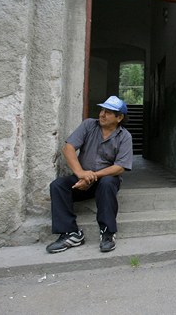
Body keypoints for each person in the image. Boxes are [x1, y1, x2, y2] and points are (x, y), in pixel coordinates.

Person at [46, 95, 133, 254]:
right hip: (82, 177)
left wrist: (92, 176)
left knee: (107, 183)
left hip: (104, 181)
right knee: (58, 186)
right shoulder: (89, 125)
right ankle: (71, 233)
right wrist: (81, 174)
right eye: (102, 110)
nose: (102, 114)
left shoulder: (124, 136)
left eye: (108, 112)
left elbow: (120, 167)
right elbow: (68, 148)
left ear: (119, 117)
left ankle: (107, 233)